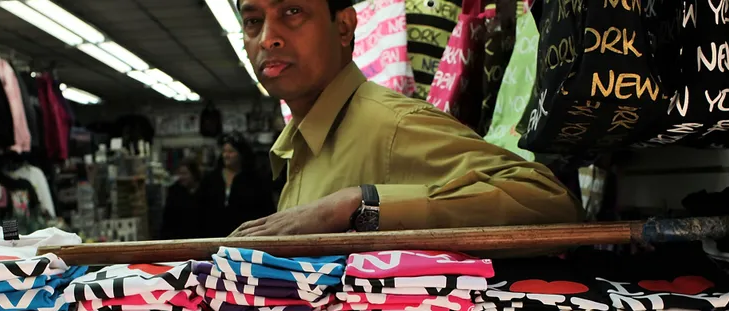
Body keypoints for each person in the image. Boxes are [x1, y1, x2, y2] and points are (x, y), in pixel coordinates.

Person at [230, 0, 579, 237]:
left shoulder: (389, 124)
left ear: (344, 26)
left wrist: (360, 204)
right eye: (253, 21)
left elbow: (549, 201)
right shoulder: (302, 141)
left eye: (292, 11)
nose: (268, 38)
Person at [200, 134, 276, 237]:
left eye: (231, 152)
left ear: (241, 154)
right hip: (213, 235)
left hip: (246, 235)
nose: (226, 155)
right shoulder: (211, 179)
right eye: (224, 151)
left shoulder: (254, 180)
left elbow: (266, 209)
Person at [161, 159, 204, 239]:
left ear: (194, 174)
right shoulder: (174, 192)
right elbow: (167, 220)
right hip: (179, 238)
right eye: (179, 174)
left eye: (185, 174)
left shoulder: (206, 191)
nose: (181, 177)